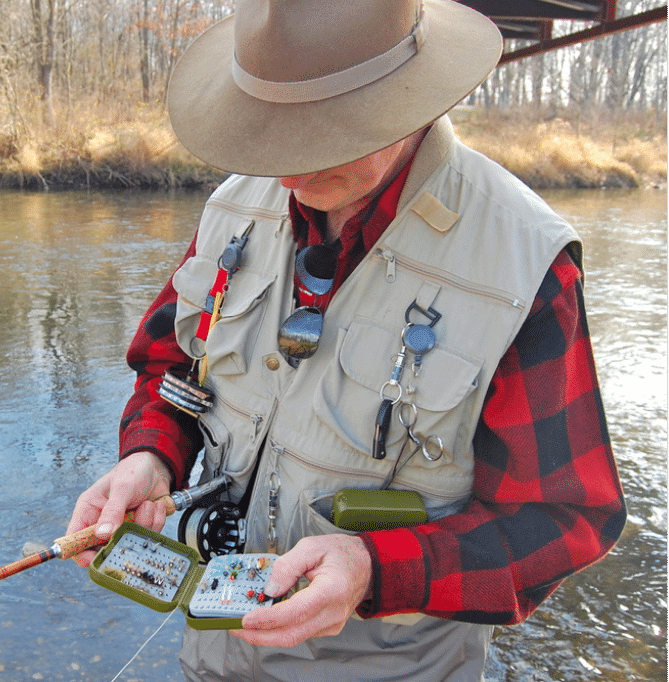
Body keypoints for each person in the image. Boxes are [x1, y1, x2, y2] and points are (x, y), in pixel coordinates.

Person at [66, 0, 626, 679]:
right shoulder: (236, 207)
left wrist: (373, 571)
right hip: (214, 654)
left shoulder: (526, 266)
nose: (288, 175)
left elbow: (563, 521)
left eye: (317, 139)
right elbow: (173, 368)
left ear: (407, 105)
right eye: (268, 136)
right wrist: (151, 459)